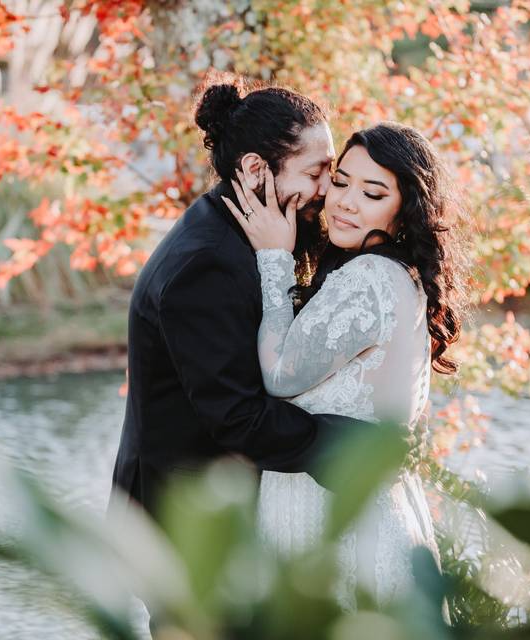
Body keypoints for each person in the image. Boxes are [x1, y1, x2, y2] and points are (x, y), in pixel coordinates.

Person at [109, 83, 378, 549]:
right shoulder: (206, 264)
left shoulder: (246, 230)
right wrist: (353, 444)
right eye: (315, 173)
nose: (326, 192)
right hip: (188, 525)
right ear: (255, 168)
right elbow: (238, 417)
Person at [223, 121, 468, 610]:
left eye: (373, 193)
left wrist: (273, 258)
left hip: (341, 523)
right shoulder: (398, 276)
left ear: (406, 214)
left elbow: (279, 374)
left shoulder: (369, 279)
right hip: (356, 509)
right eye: (340, 182)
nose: (346, 202)